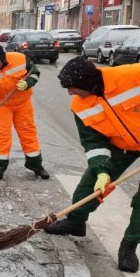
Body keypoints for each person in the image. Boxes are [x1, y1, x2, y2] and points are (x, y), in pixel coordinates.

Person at [44, 56, 140, 273]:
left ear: (87, 82)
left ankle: (130, 243)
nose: (70, 93)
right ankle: (76, 222)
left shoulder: (132, 76)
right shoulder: (79, 106)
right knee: (90, 185)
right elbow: (93, 142)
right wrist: (102, 171)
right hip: (120, 144)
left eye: (73, 88)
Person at [0, 43, 48, 180]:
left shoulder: (20, 59)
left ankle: (35, 165)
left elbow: (35, 72)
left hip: (23, 103)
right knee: (1, 136)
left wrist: (28, 83)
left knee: (28, 133)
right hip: (2, 106)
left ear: (2, 58)